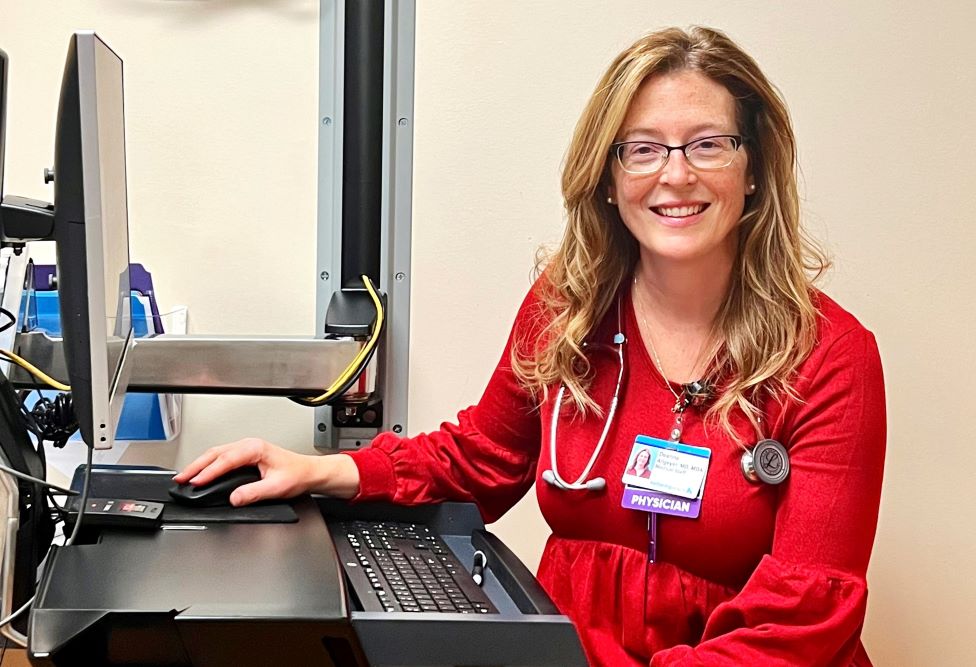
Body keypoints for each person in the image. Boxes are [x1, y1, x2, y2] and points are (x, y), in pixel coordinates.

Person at [176, 26, 886, 666]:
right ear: (608, 179)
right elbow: (483, 459)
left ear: (754, 168)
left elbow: (804, 614)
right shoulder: (567, 309)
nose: (675, 173)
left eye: (707, 144)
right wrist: (322, 469)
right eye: (642, 149)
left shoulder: (830, 356)